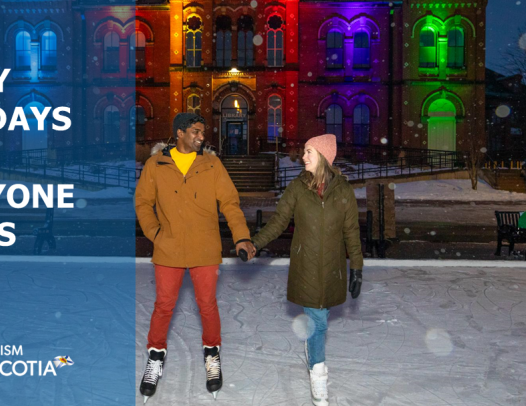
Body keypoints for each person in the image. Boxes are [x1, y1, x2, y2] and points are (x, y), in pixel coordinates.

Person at [134, 112, 256, 402]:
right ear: (179, 133)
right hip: (168, 249)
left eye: (203, 131)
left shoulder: (212, 164)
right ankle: (155, 359)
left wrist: (242, 236)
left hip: (205, 249)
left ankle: (212, 357)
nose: (202, 137)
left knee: (207, 305)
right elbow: (142, 203)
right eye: (195, 131)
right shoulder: (156, 164)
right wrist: (156, 234)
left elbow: (230, 202)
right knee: (163, 306)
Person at [249, 134, 363, 406]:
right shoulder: (297, 188)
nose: (304, 157)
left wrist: (356, 268)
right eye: (304, 151)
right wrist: (254, 244)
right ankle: (319, 375)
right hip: (306, 266)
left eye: (309, 151)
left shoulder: (344, 191)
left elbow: (352, 233)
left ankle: (314, 356)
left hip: (332, 267)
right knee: (318, 322)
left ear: (323, 156)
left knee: (318, 320)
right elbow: (278, 222)